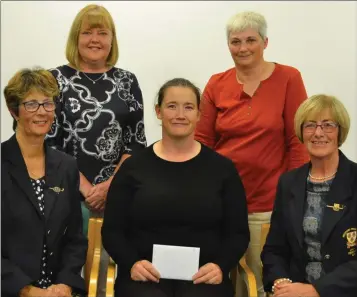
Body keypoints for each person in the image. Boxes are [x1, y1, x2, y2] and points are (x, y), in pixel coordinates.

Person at [194, 11, 310, 296]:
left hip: (268, 205)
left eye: (250, 40)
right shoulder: (216, 83)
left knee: (260, 282)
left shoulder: (288, 78)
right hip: (221, 203)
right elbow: (202, 141)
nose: (243, 48)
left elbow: (299, 141)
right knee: (217, 280)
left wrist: (293, 196)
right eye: (235, 41)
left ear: (265, 42)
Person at [102, 78, 250, 297]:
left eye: (188, 107)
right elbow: (112, 230)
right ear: (158, 111)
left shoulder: (222, 169)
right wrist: (132, 263)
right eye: (172, 106)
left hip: (204, 278)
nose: (180, 115)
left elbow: (237, 233)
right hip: (144, 278)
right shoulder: (133, 168)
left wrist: (220, 266)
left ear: (199, 114)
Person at [46, 4, 147, 295]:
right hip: (65, 192)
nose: (95, 39)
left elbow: (135, 142)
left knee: (110, 276)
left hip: (117, 194)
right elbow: (49, 142)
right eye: (87, 32)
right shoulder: (54, 80)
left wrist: (109, 186)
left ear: (112, 40)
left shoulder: (127, 81)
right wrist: (88, 188)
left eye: (102, 32)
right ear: (75, 38)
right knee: (68, 272)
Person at [1, 67, 87, 297]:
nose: (42, 112)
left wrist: (65, 284)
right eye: (31, 104)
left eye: (48, 103)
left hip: (57, 291)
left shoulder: (66, 165)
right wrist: (27, 290)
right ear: (14, 111)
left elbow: (75, 239)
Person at [261, 94, 357, 297]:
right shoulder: (288, 183)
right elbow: (274, 249)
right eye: (310, 125)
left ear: (340, 132)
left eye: (328, 125)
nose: (318, 133)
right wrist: (281, 282)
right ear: (301, 132)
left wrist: (317, 290)